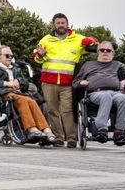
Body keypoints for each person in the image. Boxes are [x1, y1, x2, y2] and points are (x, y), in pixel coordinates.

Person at [33, 12, 96, 148]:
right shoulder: (46, 39)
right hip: (48, 81)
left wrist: (89, 40)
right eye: (58, 23)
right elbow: (36, 57)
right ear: (54, 24)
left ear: (67, 24)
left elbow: (94, 43)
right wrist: (40, 54)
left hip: (68, 82)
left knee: (67, 110)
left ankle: (72, 138)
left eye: (63, 23)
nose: (61, 25)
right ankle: (58, 137)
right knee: (52, 110)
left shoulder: (77, 38)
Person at [0, 45, 56, 144]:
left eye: (11, 56)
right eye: (7, 55)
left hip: (19, 93)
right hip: (2, 94)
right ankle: (32, 129)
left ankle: (46, 130)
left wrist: (19, 82)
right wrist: (7, 83)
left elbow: (25, 83)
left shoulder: (16, 69)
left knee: (32, 101)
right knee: (23, 100)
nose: (10, 58)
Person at [72, 41, 125, 145]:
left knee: (124, 98)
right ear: (98, 52)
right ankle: (101, 129)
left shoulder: (118, 65)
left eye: (108, 50)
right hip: (95, 93)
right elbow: (75, 82)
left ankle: (119, 132)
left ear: (113, 53)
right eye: (102, 50)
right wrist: (81, 83)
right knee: (106, 96)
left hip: (115, 92)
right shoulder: (88, 65)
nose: (105, 52)